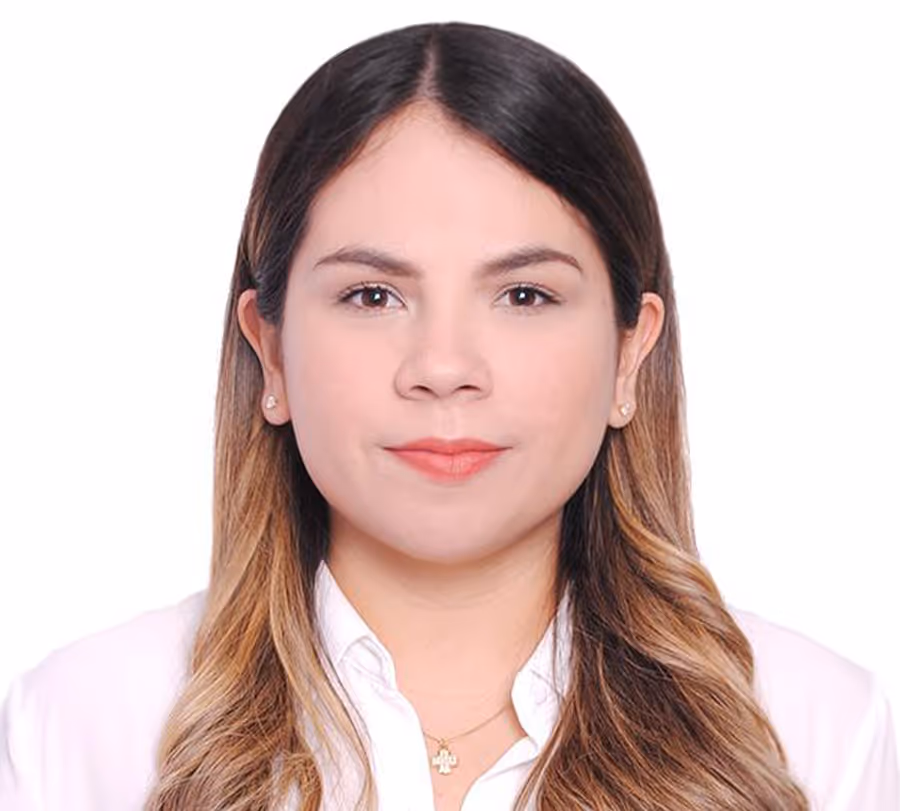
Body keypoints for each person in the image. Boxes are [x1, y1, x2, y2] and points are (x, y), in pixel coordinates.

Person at [0, 20, 896, 811]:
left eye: (524, 294)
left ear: (630, 353)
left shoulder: (813, 732)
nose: (443, 368)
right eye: (372, 294)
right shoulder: (86, 724)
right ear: (270, 350)